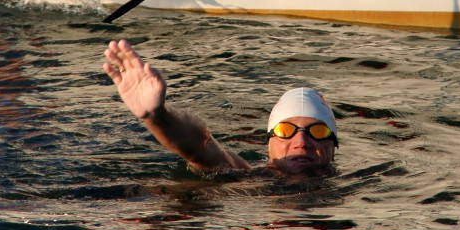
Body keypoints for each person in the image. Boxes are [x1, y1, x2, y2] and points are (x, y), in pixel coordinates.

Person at [103, 39, 338, 174]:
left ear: (334, 147)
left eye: (317, 131)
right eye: (285, 130)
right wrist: (157, 117)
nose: (301, 142)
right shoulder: (248, 175)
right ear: (269, 145)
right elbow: (201, 148)